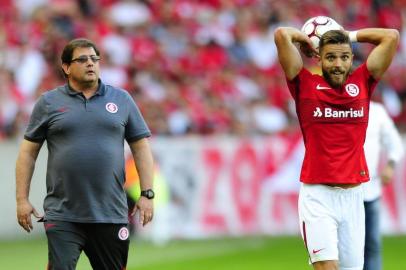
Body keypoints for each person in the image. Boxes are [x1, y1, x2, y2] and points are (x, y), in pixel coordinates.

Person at [15, 38, 155, 270]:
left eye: (94, 59)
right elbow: (28, 153)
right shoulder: (48, 102)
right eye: (82, 59)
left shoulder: (121, 99)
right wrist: (22, 199)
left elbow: (141, 147)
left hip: (110, 213)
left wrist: (147, 194)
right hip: (63, 214)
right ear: (67, 67)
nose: (90, 63)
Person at [274, 24, 399, 270]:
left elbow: (391, 36)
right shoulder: (304, 84)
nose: (338, 64)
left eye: (344, 56)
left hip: (354, 197)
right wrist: (310, 41)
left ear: (352, 57)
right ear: (319, 58)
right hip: (318, 196)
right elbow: (281, 35)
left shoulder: (363, 82)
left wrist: (347, 36)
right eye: (330, 57)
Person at [363, 101, 404, 270]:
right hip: (340, 191)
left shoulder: (377, 111)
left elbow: (395, 143)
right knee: (340, 247)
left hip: (370, 189)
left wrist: (391, 164)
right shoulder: (335, 107)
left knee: (372, 244)